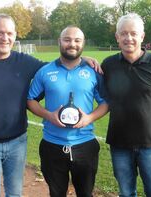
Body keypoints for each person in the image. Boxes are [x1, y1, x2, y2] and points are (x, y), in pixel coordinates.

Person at [0, 14, 100, 197]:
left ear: (15, 35)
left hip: (17, 142)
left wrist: (81, 57)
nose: (5, 38)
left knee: (15, 193)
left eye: (9, 33)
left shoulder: (25, 62)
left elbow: (57, 67)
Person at [101, 13, 151, 197]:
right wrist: (86, 60)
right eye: (124, 33)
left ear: (142, 37)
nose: (129, 38)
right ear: (117, 37)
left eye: (133, 33)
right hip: (120, 144)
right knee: (126, 193)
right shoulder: (108, 65)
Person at [27, 26, 108, 197]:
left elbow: (105, 103)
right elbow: (30, 100)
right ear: (59, 41)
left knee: (85, 194)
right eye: (67, 39)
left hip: (85, 145)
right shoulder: (45, 72)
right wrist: (49, 115)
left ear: (83, 43)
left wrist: (89, 118)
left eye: (77, 40)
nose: (72, 44)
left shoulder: (93, 72)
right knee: (56, 194)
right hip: (52, 146)